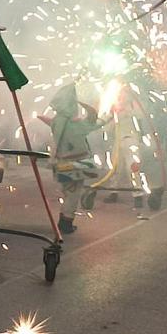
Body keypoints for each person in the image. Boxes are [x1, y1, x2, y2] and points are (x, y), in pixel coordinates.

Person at [42, 84, 107, 235]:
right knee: (73, 194)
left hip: (60, 163)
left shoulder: (57, 121)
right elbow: (96, 123)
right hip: (75, 164)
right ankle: (66, 223)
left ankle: (63, 221)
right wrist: (108, 115)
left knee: (67, 192)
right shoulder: (75, 124)